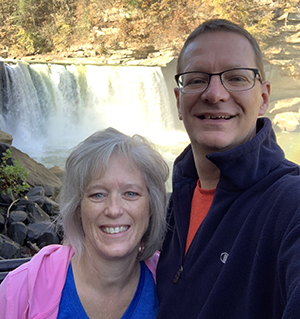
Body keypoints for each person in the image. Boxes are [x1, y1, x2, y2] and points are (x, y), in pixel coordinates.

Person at [156, 18, 300, 319]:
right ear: (179, 101)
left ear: (263, 99)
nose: (215, 93)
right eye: (196, 79)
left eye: (236, 78)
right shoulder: (169, 210)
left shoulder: (290, 204)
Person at [0, 127, 168, 319]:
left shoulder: (171, 286)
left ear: (152, 205)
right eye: (98, 194)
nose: (113, 209)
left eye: (131, 193)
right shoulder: (19, 290)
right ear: (78, 208)